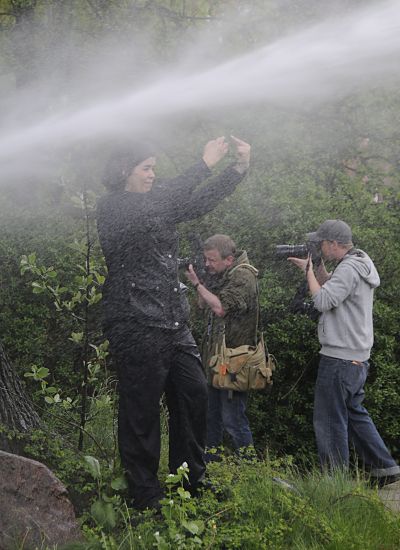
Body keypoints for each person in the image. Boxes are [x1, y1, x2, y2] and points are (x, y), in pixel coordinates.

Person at [96, 135, 251, 511]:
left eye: (153, 168)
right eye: (145, 168)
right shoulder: (113, 208)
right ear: (124, 172)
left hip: (172, 319)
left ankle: (189, 482)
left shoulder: (158, 205)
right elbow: (171, 197)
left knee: (194, 394)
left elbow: (197, 201)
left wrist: (237, 169)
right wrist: (203, 164)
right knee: (141, 411)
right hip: (134, 320)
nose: (152, 175)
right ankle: (145, 495)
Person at [288, 219, 400, 485]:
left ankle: (334, 482)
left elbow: (323, 300)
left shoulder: (349, 268)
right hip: (356, 358)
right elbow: (334, 288)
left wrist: (308, 275)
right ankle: (385, 468)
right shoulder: (358, 262)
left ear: (333, 244)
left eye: (322, 243)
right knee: (354, 413)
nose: (319, 247)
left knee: (328, 420)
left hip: (339, 359)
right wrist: (315, 268)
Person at [186, 234, 257, 460]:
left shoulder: (244, 276)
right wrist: (204, 280)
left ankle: (250, 470)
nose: (208, 264)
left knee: (233, 420)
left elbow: (220, 308)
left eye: (212, 260)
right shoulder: (222, 274)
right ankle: (211, 467)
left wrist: (196, 283)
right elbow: (201, 306)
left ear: (229, 259)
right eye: (205, 260)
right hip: (217, 360)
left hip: (234, 361)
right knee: (211, 417)